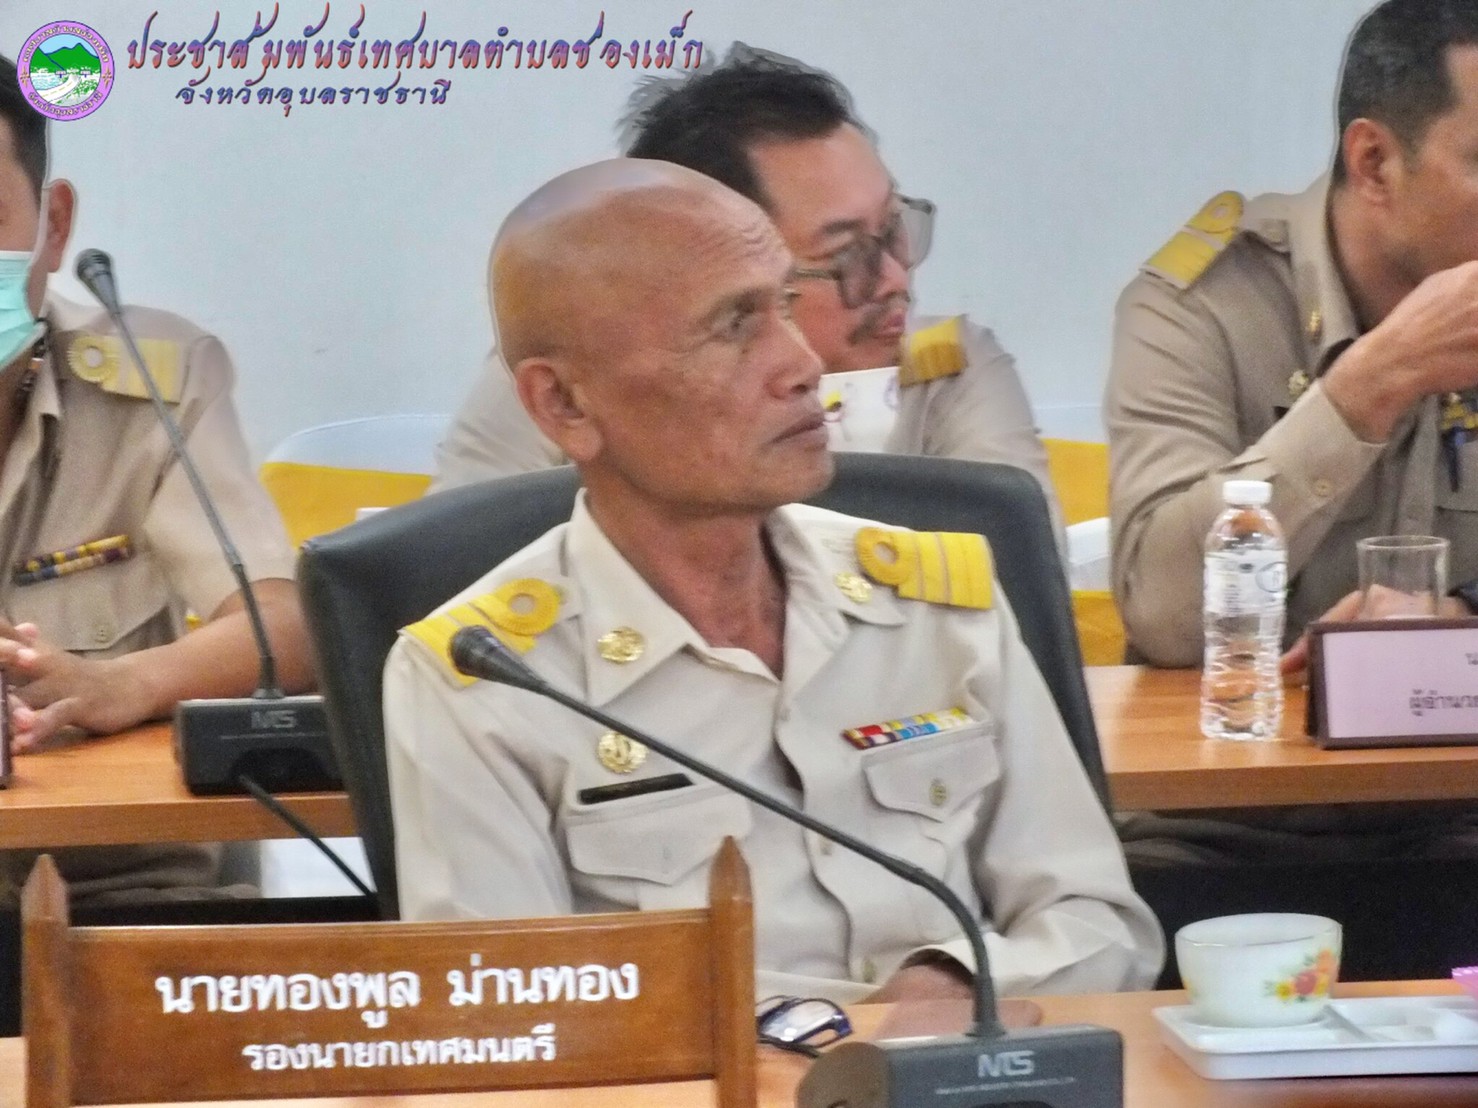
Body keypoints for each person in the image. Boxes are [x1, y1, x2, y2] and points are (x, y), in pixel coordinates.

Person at [384, 158, 1162, 1005]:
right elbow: (511, 1019)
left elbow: (1099, 922)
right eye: (732, 327)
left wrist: (955, 990)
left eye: (786, 304)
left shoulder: (933, 602)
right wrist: (828, 1045)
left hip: (968, 1062)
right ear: (565, 404)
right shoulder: (483, 682)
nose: (802, 364)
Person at [430, 47, 1067, 561]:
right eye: (846, 255)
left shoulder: (947, 367)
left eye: (895, 228)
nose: (895, 279)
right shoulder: (581, 373)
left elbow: (1023, 581)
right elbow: (447, 582)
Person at [0, 56, 313, 905]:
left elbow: (286, 630)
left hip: (118, 899)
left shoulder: (153, 385)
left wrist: (118, 685)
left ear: (53, 225)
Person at [1109, 0, 1478, 669]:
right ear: (1374, 163)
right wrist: (1370, 383)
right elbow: (1163, 615)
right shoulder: (1201, 308)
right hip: (1249, 729)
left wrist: (1462, 613)